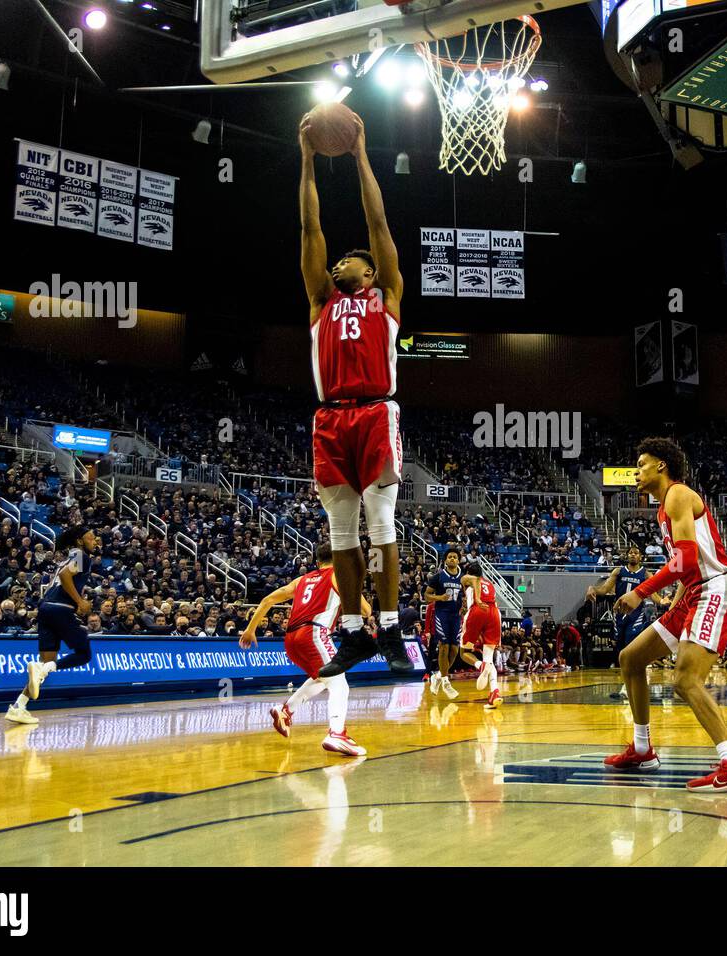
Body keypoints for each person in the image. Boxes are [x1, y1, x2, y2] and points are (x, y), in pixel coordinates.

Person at [296, 110, 411, 679]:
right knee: (341, 533)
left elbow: (378, 221)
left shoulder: (385, 293)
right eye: (337, 260)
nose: (340, 260)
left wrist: (362, 151)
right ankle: (351, 633)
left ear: (369, 272)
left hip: (373, 411)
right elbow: (309, 230)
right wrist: (308, 158)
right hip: (330, 418)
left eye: (351, 259)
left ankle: (389, 626)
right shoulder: (321, 300)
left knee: (382, 523)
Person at [605, 437, 727, 792]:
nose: (635, 471)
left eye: (641, 464)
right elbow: (687, 565)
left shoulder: (677, 494)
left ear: (661, 465)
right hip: (691, 594)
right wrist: (674, 601)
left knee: (685, 680)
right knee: (631, 658)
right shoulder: (662, 508)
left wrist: (640, 592)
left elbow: (687, 560)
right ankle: (642, 749)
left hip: (714, 588)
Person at [242, 542, 366, 756]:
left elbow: (267, 600)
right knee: (339, 682)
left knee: (322, 677)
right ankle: (337, 734)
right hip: (314, 633)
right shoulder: (339, 576)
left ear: (318, 562)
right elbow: (366, 610)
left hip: (291, 639)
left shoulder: (302, 580)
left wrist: (250, 630)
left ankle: (286, 710)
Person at [6, 526, 98, 725]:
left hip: (45, 609)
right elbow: (65, 576)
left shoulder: (68, 556)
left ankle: (18, 706)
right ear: (80, 541)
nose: (96, 541)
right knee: (84, 654)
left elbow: (58, 580)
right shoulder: (82, 556)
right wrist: (80, 601)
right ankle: (43, 670)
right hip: (61, 609)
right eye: (91, 538)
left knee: (43, 667)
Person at [587, 546, 667, 699]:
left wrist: (662, 601)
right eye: (630, 552)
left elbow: (654, 596)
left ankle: (631, 686)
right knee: (621, 652)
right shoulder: (618, 571)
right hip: (619, 617)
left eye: (636, 553)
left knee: (631, 650)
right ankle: (627, 685)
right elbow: (603, 590)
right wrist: (592, 588)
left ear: (641, 557)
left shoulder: (645, 574)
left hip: (636, 616)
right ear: (627, 555)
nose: (632, 555)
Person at [453, 560, 504, 710]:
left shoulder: (467, 578)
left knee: (463, 652)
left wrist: (476, 599)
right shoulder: (489, 583)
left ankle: (480, 666)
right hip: (494, 612)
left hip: (477, 610)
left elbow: (474, 580)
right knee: (489, 658)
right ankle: (494, 692)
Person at [423, 549, 464, 699]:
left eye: (455, 557)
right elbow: (427, 596)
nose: (452, 559)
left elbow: (466, 595)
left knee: (455, 648)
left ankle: (438, 676)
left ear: (459, 560)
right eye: (450, 557)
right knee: (444, 646)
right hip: (442, 614)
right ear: (445, 560)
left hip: (456, 616)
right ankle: (446, 682)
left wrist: (465, 605)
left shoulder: (463, 578)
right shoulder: (437, 577)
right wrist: (440, 597)